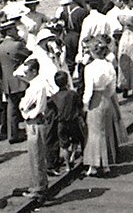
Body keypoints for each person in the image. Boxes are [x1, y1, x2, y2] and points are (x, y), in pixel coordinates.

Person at [83, 38, 124, 176]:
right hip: (106, 99)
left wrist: (85, 104)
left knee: (94, 134)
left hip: (95, 99)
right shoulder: (109, 66)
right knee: (105, 132)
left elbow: (88, 89)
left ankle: (93, 165)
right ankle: (106, 164)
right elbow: (112, 87)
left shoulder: (89, 68)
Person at [17, 59, 51, 201]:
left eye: (27, 72)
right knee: (34, 156)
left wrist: (26, 112)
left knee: (37, 156)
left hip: (34, 122)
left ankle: (39, 188)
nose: (24, 75)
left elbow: (34, 107)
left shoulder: (38, 86)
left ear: (34, 71)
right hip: (32, 122)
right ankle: (38, 184)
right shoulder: (34, 84)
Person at [0, 21, 30, 144]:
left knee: (12, 109)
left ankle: (12, 134)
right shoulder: (17, 45)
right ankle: (30, 130)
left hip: (7, 82)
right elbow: (29, 55)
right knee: (27, 105)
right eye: (15, 30)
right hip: (20, 81)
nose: (18, 32)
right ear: (9, 31)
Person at [48, 70, 85, 170]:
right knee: (76, 140)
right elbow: (80, 106)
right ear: (67, 81)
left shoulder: (54, 97)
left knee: (64, 146)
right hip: (73, 122)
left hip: (61, 123)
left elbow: (51, 108)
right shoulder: (73, 94)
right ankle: (73, 155)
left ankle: (68, 166)